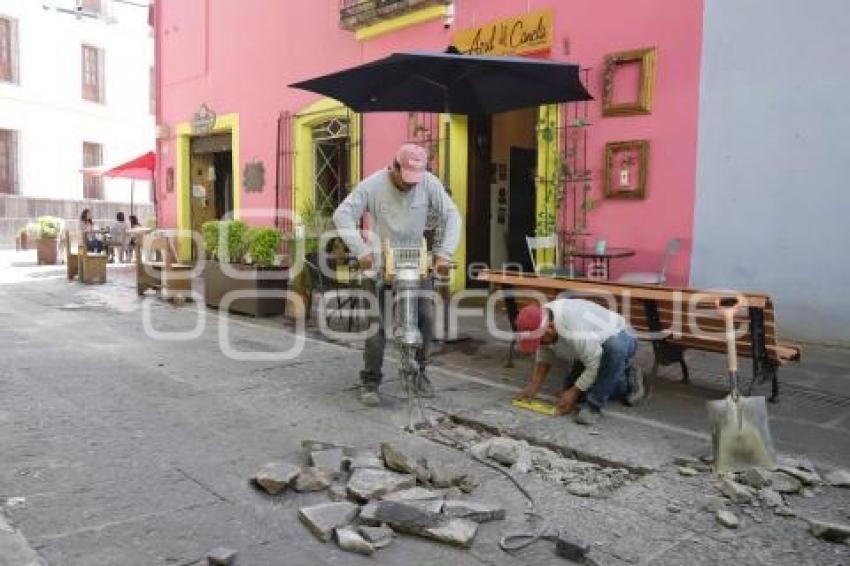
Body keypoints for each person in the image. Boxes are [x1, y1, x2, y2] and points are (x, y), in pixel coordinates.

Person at [333, 143, 462, 406]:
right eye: (406, 180)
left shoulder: (428, 183)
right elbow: (342, 215)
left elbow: (452, 216)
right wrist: (360, 250)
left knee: (425, 316)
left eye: (416, 181)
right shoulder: (373, 185)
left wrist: (444, 254)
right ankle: (370, 380)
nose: (411, 186)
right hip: (379, 261)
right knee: (376, 326)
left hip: (415, 260)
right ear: (394, 167)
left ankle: (419, 372)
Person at [513, 299, 646, 425]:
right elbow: (544, 352)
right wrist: (534, 385)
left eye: (540, 341)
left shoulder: (575, 330)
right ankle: (616, 375)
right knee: (574, 394)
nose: (540, 344)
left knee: (613, 351)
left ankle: (605, 397)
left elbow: (594, 365)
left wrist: (573, 392)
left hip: (621, 335)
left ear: (551, 328)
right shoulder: (541, 319)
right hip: (590, 345)